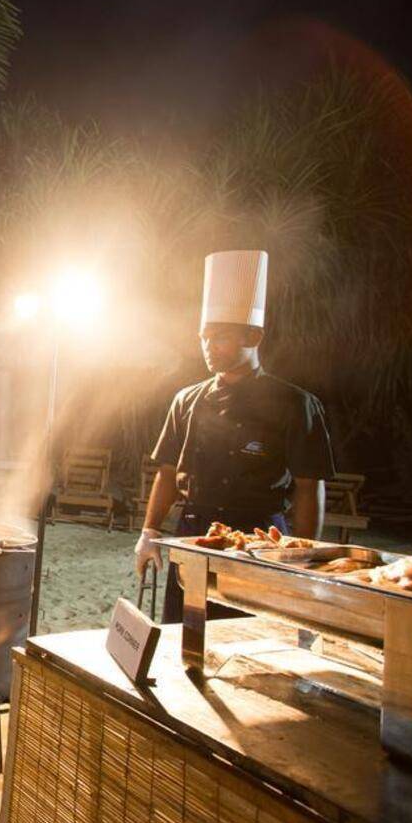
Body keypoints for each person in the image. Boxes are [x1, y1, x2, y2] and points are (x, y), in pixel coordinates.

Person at [134, 249, 336, 624]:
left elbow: (309, 486)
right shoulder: (187, 400)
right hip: (194, 533)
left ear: (254, 335)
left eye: (221, 337)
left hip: (260, 536)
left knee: (247, 634)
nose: (209, 347)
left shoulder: (295, 404)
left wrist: (303, 556)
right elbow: (167, 472)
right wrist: (149, 531)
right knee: (182, 631)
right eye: (204, 337)